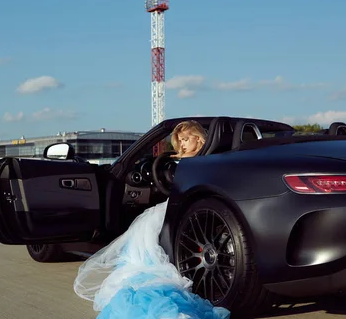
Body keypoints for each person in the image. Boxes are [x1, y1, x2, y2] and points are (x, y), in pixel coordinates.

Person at [73, 121, 230, 319]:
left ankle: (148, 266)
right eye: (179, 141)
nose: (181, 145)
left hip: (184, 205)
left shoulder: (195, 162)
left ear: (199, 138)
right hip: (190, 205)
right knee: (147, 224)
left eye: (185, 140)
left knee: (146, 224)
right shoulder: (209, 159)